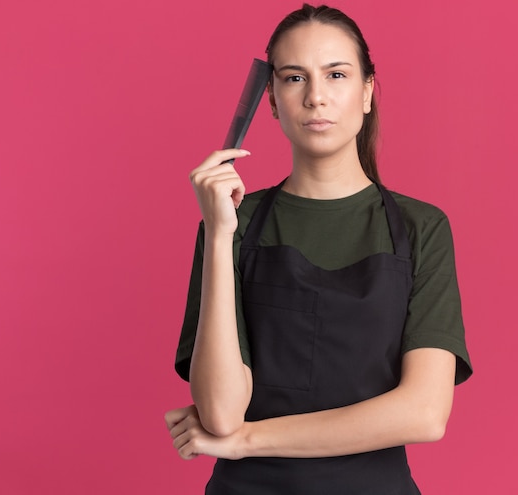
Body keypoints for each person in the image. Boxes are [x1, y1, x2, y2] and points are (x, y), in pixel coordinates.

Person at [165, 4, 472, 494]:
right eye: (293, 78)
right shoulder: (232, 222)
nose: (315, 97)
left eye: (336, 74)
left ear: (367, 91)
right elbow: (221, 413)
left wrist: (248, 440)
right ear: (270, 99)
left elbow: (424, 413)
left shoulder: (421, 228)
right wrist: (220, 233)